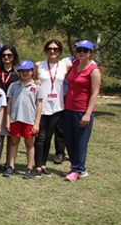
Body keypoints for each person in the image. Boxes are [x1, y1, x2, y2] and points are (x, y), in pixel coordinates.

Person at [63, 39, 100, 182]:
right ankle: (77, 167)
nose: (82, 53)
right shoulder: (74, 64)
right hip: (69, 107)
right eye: (79, 50)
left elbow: (95, 93)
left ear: (91, 53)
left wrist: (88, 114)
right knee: (69, 138)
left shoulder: (94, 70)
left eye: (85, 51)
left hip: (82, 110)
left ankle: (78, 169)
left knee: (80, 140)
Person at [4, 59, 44, 179]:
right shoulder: (13, 85)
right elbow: (9, 104)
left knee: (29, 144)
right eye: (22, 71)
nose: (25, 73)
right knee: (14, 142)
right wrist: (8, 120)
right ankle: (11, 166)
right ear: (18, 72)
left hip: (29, 120)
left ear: (32, 72)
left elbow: (39, 105)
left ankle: (29, 168)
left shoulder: (36, 86)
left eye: (27, 71)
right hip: (15, 119)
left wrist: (37, 123)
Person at [35, 39, 67, 170]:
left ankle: (43, 164)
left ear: (60, 51)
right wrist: (35, 82)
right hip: (42, 105)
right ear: (45, 50)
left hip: (58, 106)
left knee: (48, 136)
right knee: (40, 136)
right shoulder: (39, 65)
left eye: (55, 49)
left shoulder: (66, 66)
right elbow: (30, 79)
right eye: (49, 48)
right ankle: (36, 164)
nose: (52, 51)